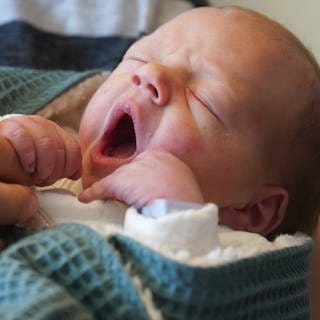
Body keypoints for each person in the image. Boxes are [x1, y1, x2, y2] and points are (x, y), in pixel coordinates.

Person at [0, 6, 319, 318]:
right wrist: (18, 136)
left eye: (205, 101)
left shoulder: (229, 250)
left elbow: (207, 302)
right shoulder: (58, 149)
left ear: (252, 210)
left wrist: (174, 215)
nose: (151, 74)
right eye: (139, 57)